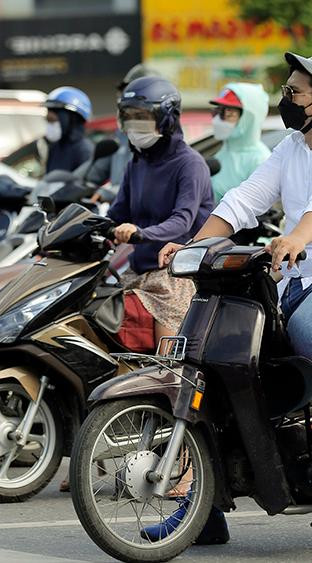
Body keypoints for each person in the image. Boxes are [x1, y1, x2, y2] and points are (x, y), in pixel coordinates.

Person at [153, 50, 312, 547]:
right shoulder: (290, 147)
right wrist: (196, 245)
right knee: (210, 370)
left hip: (307, 288)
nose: (286, 99)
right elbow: (243, 200)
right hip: (286, 285)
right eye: (287, 90)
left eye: (295, 92)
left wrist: (297, 238)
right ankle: (201, 511)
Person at [109, 76, 214, 345]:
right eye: (129, 118)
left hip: (178, 275)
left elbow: (182, 221)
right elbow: (118, 213)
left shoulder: (190, 165)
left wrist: (140, 233)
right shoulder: (136, 163)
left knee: (168, 366)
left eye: (142, 117)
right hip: (139, 271)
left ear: (166, 117)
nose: (134, 127)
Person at [81, 64, 162, 193]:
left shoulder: (158, 141)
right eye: (123, 95)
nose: (124, 102)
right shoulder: (121, 136)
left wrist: (112, 194)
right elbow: (95, 173)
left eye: (134, 95)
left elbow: (152, 189)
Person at [208, 83, 271, 203]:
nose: (217, 120)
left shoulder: (260, 161)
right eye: (216, 111)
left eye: (227, 113)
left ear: (248, 118)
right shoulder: (224, 151)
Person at [44, 86, 93, 173]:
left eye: (52, 120)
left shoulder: (85, 151)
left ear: (72, 118)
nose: (49, 125)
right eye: (48, 120)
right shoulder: (55, 148)